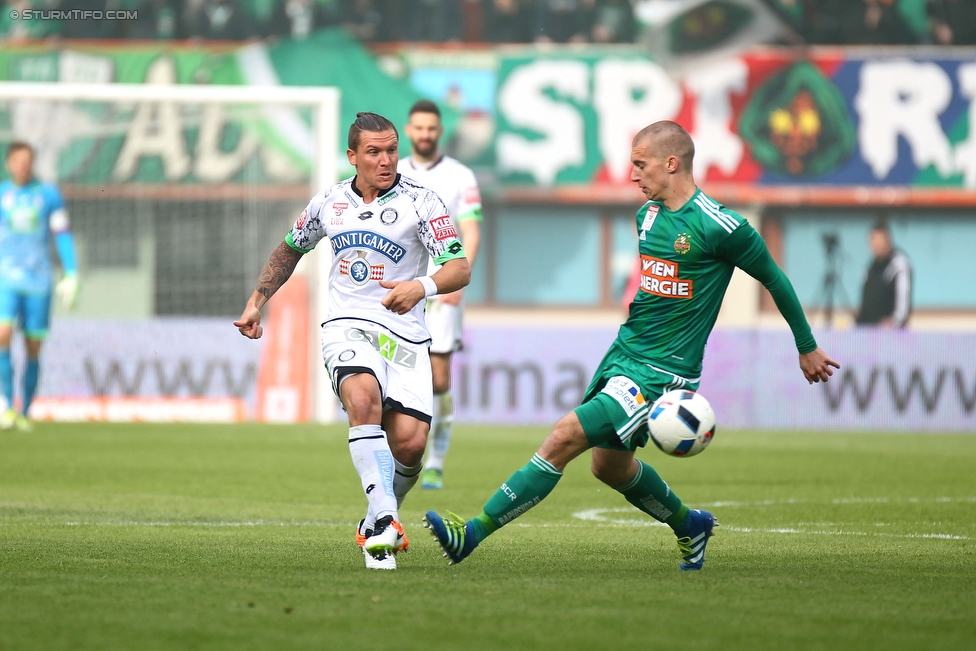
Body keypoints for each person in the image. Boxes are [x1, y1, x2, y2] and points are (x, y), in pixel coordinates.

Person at [424, 121, 839, 571]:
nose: (634, 175)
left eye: (641, 165)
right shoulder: (647, 216)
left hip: (663, 372)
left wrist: (806, 345)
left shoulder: (723, 226)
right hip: (623, 355)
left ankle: (471, 533)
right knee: (609, 468)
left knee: (564, 436)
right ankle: (690, 526)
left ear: (672, 163)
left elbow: (774, 279)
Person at [234, 112, 470, 570]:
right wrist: (256, 300)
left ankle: (377, 517)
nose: (385, 160)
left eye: (391, 151)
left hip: (405, 333)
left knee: (409, 444)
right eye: (374, 152)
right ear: (352, 156)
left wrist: (420, 287)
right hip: (347, 324)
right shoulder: (328, 203)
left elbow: (458, 266)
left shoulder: (423, 202)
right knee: (364, 400)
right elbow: (290, 248)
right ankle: (384, 522)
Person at [397, 99, 482, 491]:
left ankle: (435, 460)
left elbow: (472, 231)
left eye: (431, 128)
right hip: (400, 290)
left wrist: (459, 281)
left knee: (440, 378)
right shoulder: (393, 173)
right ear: (409, 130)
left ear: (439, 130)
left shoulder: (460, 176)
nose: (425, 134)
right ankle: (396, 451)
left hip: (441, 289)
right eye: (419, 128)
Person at [0, 142, 79, 431]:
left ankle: (26, 410)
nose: (23, 165)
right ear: (9, 163)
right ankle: (8, 405)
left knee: (33, 348)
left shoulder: (48, 195)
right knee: (2, 334)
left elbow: (62, 234)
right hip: (6, 278)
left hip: (39, 281)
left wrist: (72, 272)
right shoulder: (1, 194)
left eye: (27, 161)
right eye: (18, 161)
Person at [855, 220, 912, 327]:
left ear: (888, 241)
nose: (877, 246)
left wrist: (894, 322)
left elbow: (903, 302)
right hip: (868, 332)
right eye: (874, 241)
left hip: (890, 334)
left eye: (881, 241)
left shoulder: (899, 264)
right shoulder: (869, 269)